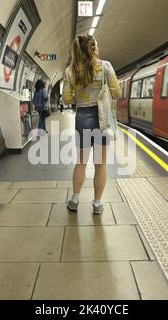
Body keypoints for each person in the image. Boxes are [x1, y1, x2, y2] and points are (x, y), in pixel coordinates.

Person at [63, 34, 120, 215]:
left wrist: (80, 92)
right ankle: (96, 204)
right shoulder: (105, 67)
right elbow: (117, 92)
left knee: (80, 162)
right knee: (100, 164)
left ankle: (75, 199)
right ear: (94, 47)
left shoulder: (71, 72)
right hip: (102, 118)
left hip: (82, 117)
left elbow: (66, 98)